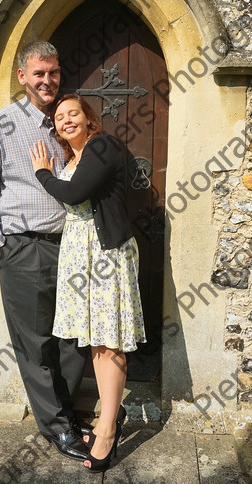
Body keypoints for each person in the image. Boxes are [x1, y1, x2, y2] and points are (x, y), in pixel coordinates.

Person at [0, 41, 90, 461]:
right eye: (38, 73)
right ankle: (58, 428)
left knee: (75, 337)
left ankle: (66, 412)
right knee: (36, 344)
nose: (47, 80)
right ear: (22, 77)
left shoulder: (66, 121)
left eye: (53, 72)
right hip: (24, 248)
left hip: (72, 246)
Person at [29, 94, 146, 473]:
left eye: (73, 113)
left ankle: (108, 430)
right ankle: (111, 413)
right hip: (80, 253)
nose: (65, 120)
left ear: (88, 117)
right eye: (59, 117)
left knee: (107, 338)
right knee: (94, 336)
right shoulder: (72, 159)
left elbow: (74, 193)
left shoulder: (102, 145)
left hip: (106, 253)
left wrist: (42, 174)